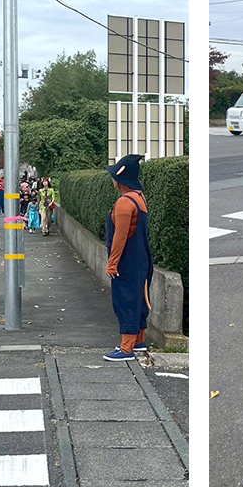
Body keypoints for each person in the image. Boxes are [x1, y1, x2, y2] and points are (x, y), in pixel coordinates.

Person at [103, 154, 154, 361]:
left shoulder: (125, 203)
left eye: (114, 176)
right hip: (142, 258)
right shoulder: (140, 197)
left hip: (128, 261)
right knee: (139, 298)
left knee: (126, 300)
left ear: (121, 180)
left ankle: (126, 349)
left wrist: (112, 263)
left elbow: (120, 237)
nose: (113, 179)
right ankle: (139, 341)